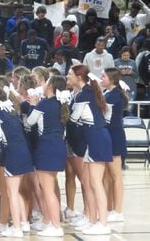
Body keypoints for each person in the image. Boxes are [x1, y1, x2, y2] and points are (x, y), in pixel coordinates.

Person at [67, 64, 112, 235]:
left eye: (70, 74)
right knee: (92, 184)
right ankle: (93, 220)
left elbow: (72, 119)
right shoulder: (86, 92)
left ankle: (103, 223)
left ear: (79, 77)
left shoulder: (84, 95)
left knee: (95, 183)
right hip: (93, 138)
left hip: (96, 138)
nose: (68, 76)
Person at [0, 87, 34, 238]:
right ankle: (24, 223)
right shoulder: (12, 111)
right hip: (24, 153)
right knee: (17, 191)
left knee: (11, 192)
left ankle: (17, 228)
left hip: (12, 155)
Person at [26, 75, 70, 237]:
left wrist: (32, 105)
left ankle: (56, 226)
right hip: (58, 146)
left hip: (46, 147)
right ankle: (48, 220)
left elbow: (30, 122)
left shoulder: (44, 104)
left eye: (46, 82)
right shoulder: (61, 104)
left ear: (50, 86)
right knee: (50, 186)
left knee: (48, 189)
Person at [100, 67, 127, 222]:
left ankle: (118, 211)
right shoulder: (108, 93)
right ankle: (109, 208)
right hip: (108, 136)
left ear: (111, 79)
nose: (101, 78)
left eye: (103, 76)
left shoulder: (114, 95)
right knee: (107, 176)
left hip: (114, 137)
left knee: (115, 175)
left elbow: (99, 110)